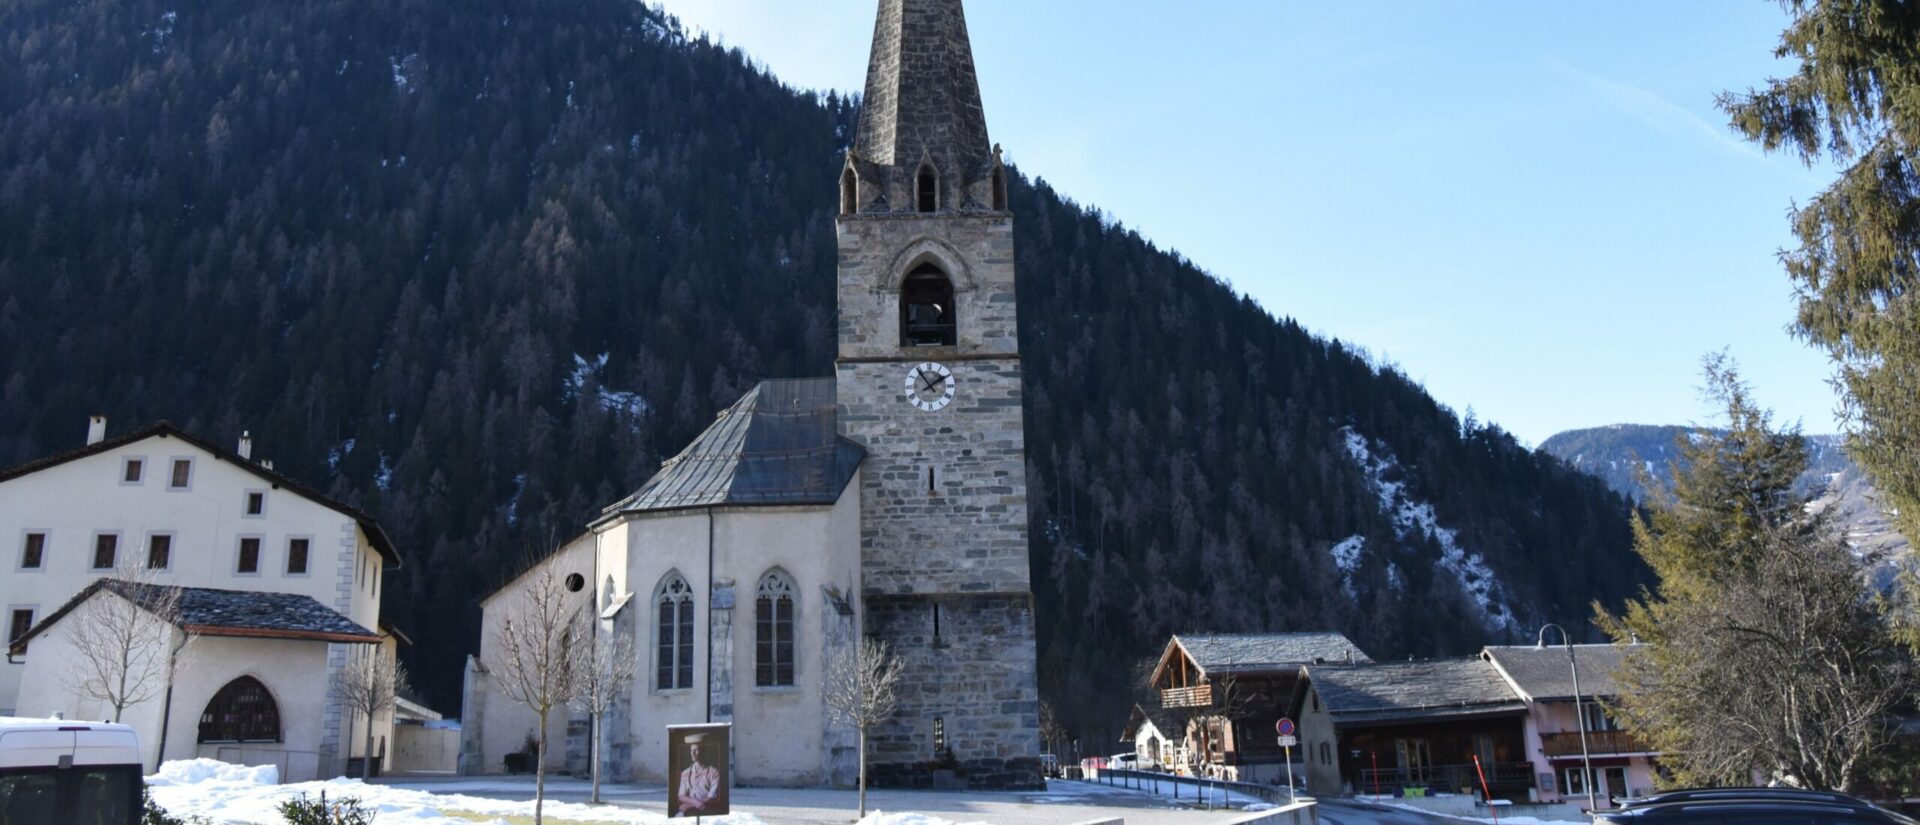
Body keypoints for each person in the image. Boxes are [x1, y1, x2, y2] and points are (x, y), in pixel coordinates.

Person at [675, 733, 721, 817]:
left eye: (696, 750)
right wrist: (695, 802)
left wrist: (689, 805)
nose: (693, 753)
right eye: (691, 750)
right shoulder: (685, 772)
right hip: (688, 812)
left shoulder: (713, 772)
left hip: (707, 810)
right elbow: (681, 796)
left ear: (703, 751)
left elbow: (711, 796)